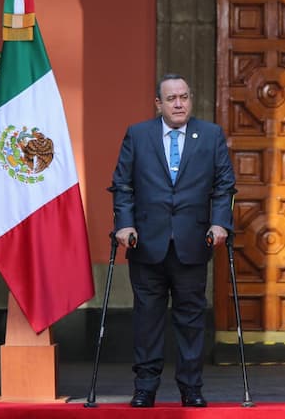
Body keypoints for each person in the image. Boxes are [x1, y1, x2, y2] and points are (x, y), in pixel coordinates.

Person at [111, 73, 236, 408]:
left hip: (193, 243)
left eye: (184, 97)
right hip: (146, 244)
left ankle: (191, 389)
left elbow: (224, 185)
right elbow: (122, 186)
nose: (179, 104)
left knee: (191, 320)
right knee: (147, 320)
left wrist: (220, 222)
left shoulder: (210, 135)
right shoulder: (138, 135)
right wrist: (125, 225)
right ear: (158, 103)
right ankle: (145, 388)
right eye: (172, 98)